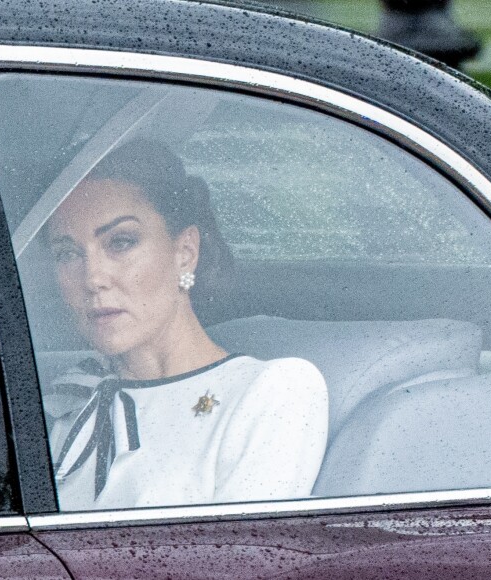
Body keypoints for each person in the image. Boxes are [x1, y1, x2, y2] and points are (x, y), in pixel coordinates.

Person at [43, 140, 328, 511]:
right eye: (67, 254)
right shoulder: (67, 396)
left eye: (121, 242)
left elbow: (242, 560)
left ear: (185, 252)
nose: (92, 277)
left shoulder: (269, 392)